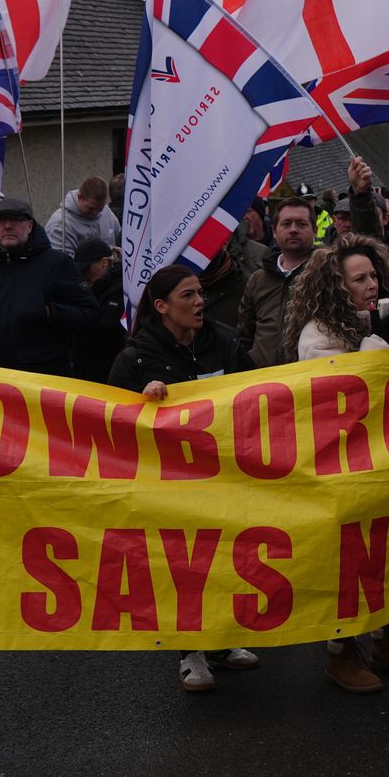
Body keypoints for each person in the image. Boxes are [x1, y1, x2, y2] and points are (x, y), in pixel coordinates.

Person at [286, 236, 389, 689]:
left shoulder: (381, 320)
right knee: (352, 559)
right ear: (337, 287)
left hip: (388, 460)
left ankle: (387, 637)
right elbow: (352, 392)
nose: (371, 284)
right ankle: (342, 651)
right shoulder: (318, 337)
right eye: (360, 279)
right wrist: (378, 343)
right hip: (345, 467)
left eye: (374, 276)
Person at [107, 264, 259, 693]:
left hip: (224, 475)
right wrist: (145, 403)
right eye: (188, 296)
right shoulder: (135, 357)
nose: (200, 302)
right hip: (169, 484)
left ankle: (223, 641)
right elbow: (113, 424)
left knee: (226, 558)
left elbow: (257, 391)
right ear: (162, 307)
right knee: (184, 566)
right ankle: (189, 651)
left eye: (199, 294)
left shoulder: (225, 341)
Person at [0, 197, 101, 375]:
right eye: (0, 220)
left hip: (38, 383)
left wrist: (48, 311)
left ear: (30, 226)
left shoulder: (57, 264)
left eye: (15, 220)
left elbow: (91, 316)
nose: (7, 226)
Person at [238, 195, 319, 366]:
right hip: (265, 382)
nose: (293, 229)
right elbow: (245, 335)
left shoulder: (328, 273)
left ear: (315, 230)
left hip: (311, 381)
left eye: (301, 224)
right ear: (274, 231)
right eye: (286, 224)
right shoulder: (258, 279)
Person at [71, 239, 127, 382]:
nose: (84, 275)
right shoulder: (91, 287)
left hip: (108, 367)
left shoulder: (121, 288)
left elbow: (108, 327)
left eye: (86, 268)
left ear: (104, 263)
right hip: (84, 367)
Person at [45, 174, 120, 253]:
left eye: (100, 209)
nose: (95, 213)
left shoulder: (106, 212)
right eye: (91, 208)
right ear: (80, 197)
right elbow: (62, 263)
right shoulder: (60, 225)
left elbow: (119, 237)